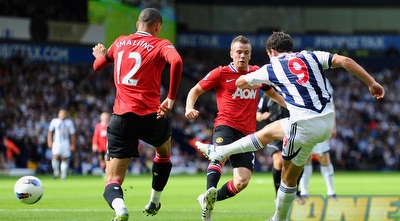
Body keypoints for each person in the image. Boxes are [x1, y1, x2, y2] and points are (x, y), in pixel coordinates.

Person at [196, 31, 385, 221]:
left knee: (287, 176)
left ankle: (278, 218)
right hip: (327, 121)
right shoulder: (311, 55)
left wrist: (254, 80)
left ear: (271, 51)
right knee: (270, 133)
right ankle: (222, 152)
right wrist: (372, 83)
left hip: (304, 125)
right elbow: (345, 61)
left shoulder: (272, 67)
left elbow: (240, 81)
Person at [92, 8, 183, 221]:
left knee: (112, 179)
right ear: (158, 27)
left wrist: (99, 55)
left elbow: (97, 67)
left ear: (137, 24)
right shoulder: (161, 44)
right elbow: (177, 61)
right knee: (163, 152)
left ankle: (120, 209)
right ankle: (154, 199)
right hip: (152, 117)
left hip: (122, 118)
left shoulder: (120, 42)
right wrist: (170, 97)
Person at [186, 35, 282, 221]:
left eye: (246, 52)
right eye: (238, 52)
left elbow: (275, 95)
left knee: (241, 182)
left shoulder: (256, 74)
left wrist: (293, 108)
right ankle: (209, 191)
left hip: (247, 134)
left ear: (250, 55)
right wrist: (189, 107)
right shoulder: (220, 73)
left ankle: (207, 200)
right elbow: (195, 90)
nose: (242, 56)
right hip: (225, 126)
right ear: (231, 54)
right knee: (219, 154)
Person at [298, 79, 337, 201]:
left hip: (321, 121)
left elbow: (330, 103)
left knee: (323, 157)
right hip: (304, 122)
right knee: (306, 158)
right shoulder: (298, 77)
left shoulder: (323, 80)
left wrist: (333, 125)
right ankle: (304, 192)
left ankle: (331, 192)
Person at [47, 109, 76, 180]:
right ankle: (56, 172)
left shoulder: (69, 122)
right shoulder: (55, 121)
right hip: (57, 142)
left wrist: (72, 144)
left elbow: (72, 134)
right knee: (55, 156)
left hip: (65, 142)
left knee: (64, 158)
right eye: (61, 114)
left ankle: (63, 174)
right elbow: (50, 132)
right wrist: (49, 142)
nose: (62, 115)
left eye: (64, 114)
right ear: (58, 114)